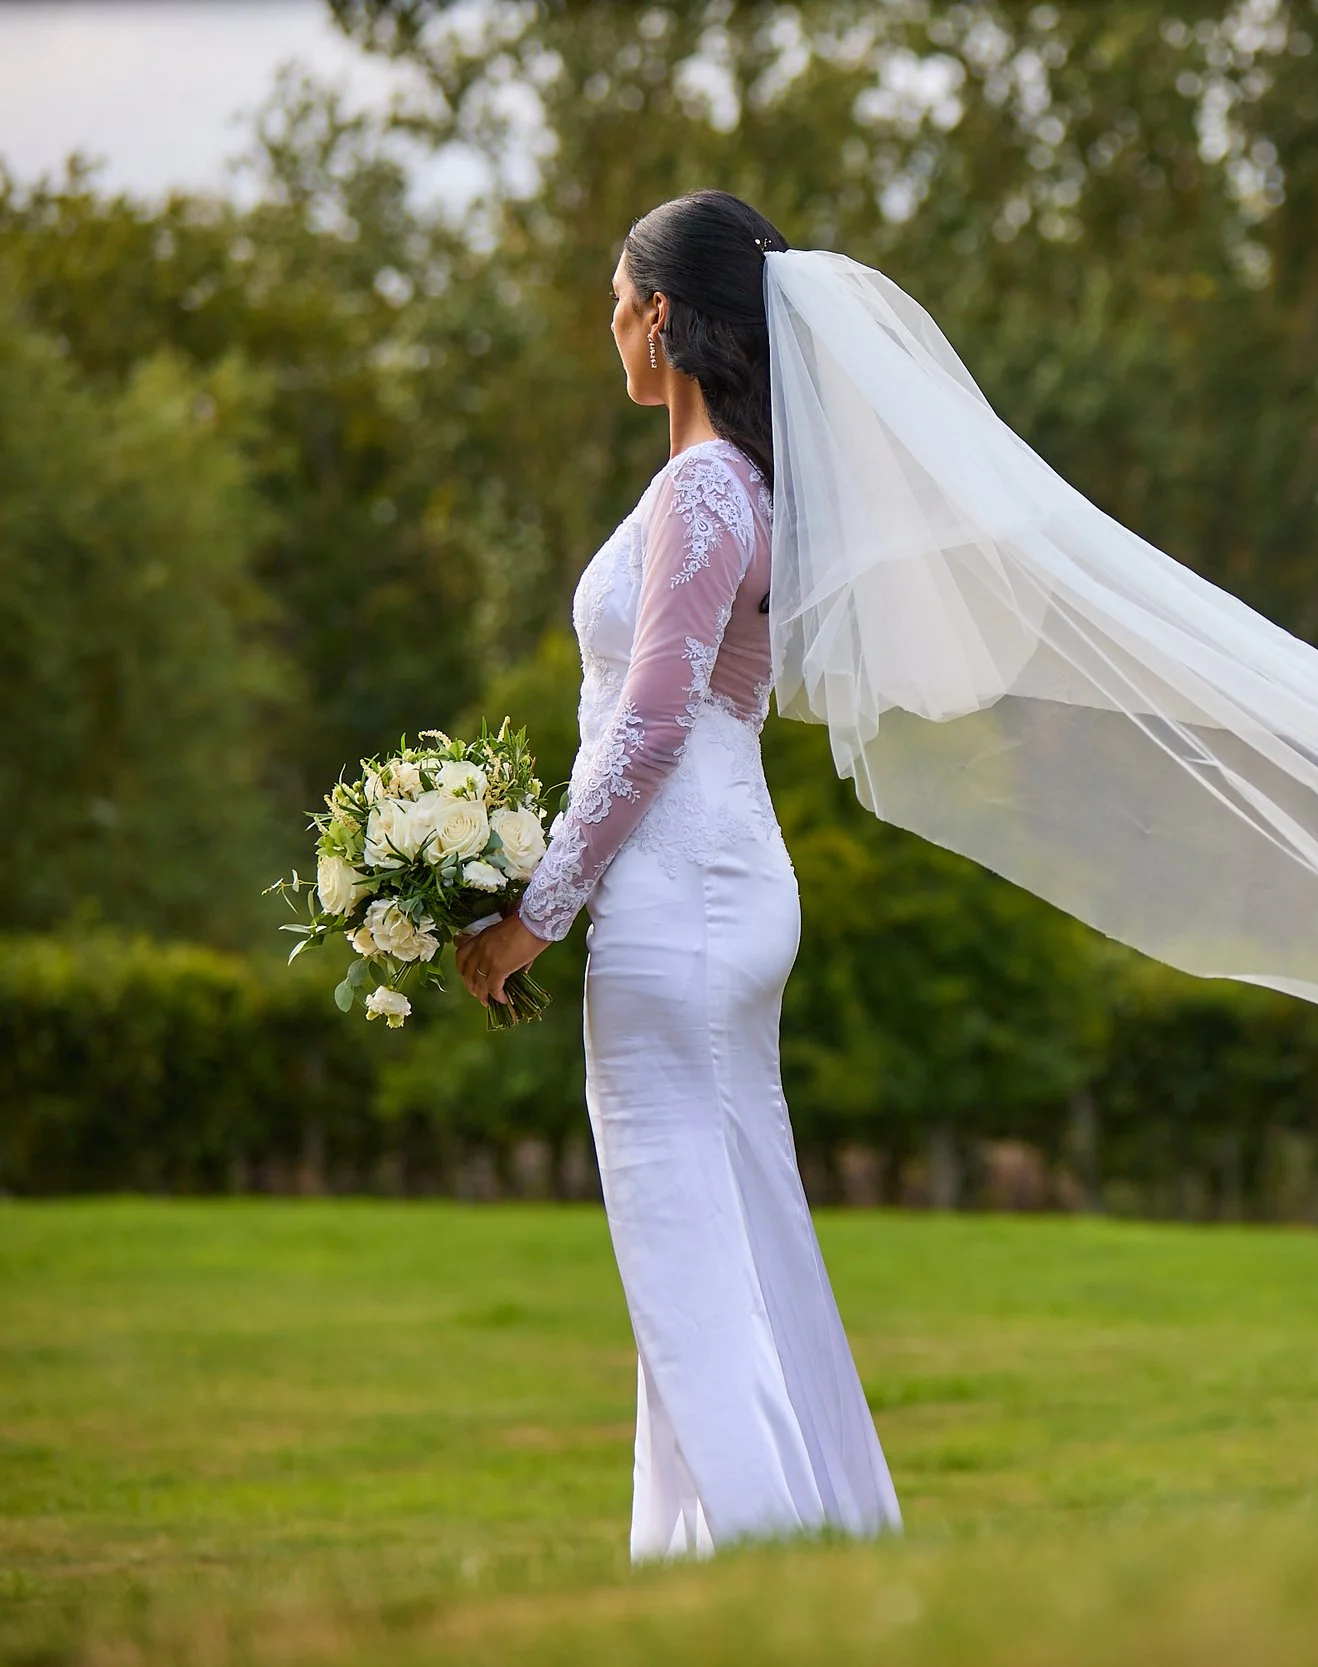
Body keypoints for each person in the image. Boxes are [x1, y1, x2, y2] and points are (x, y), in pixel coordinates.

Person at [457, 190, 901, 1560]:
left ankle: (775, 1570)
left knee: (685, 1261)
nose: (606, 325)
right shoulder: (741, 483)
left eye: (614, 298)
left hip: (682, 902)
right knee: (732, 1245)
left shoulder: (710, 486)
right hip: (720, 882)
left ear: (663, 314)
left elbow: (649, 724)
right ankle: (712, 1569)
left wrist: (533, 913)